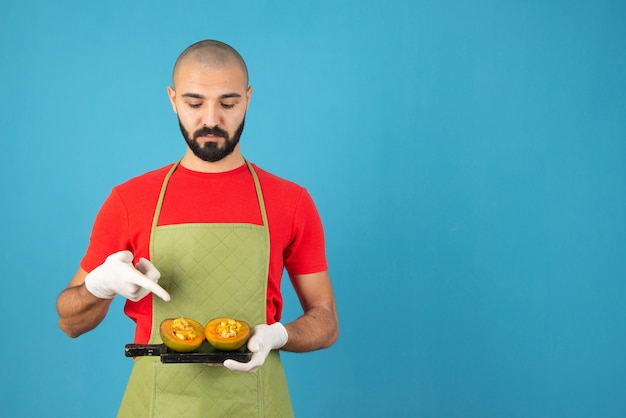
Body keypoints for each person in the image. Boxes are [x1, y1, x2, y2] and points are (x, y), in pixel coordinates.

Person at [56, 39, 339, 417]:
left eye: (228, 103)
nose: (211, 119)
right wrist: (99, 286)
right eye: (194, 103)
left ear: (248, 99)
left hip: (255, 401)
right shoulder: (130, 199)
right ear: (172, 99)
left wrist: (280, 335)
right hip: (157, 404)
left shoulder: (290, 201)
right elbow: (69, 322)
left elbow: (326, 321)